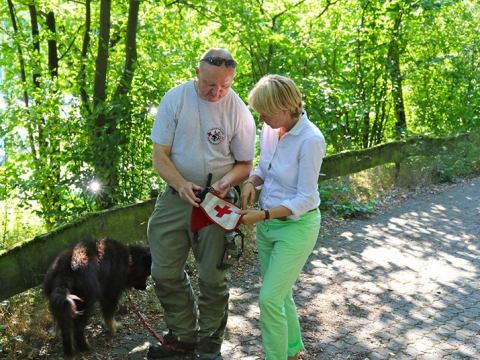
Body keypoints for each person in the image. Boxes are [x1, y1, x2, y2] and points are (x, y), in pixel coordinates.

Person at [146, 48, 256, 360]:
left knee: (212, 278)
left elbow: (246, 164)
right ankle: (183, 337)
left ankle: (209, 347)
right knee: (164, 272)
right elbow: (160, 155)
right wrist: (180, 183)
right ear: (197, 73)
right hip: (177, 195)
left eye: (225, 85)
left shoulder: (238, 111)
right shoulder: (175, 99)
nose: (217, 91)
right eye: (210, 84)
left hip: (218, 202)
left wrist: (225, 182)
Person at [238, 75, 326, 360]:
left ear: (286, 108)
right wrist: (252, 182)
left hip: (297, 228)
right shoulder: (271, 129)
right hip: (267, 226)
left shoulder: (311, 140)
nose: (261, 118)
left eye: (265, 112)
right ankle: (291, 350)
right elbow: (264, 168)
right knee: (281, 294)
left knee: (269, 298)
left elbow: (305, 198)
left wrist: (261, 214)